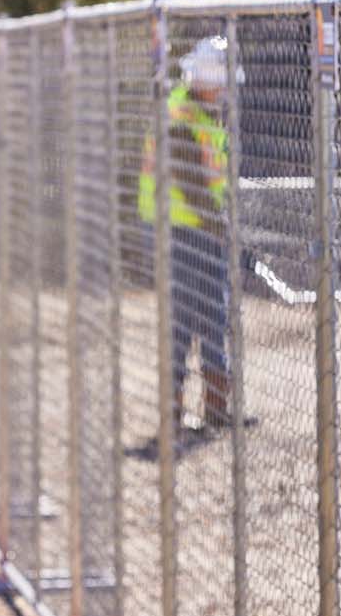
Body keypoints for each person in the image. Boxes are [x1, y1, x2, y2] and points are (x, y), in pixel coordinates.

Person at [139, 36, 253, 431]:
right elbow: (192, 188)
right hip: (185, 233)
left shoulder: (195, 113)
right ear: (204, 79)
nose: (224, 91)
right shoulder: (184, 117)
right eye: (220, 83)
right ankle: (198, 413)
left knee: (202, 320)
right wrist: (227, 236)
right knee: (196, 320)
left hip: (191, 231)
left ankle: (210, 410)